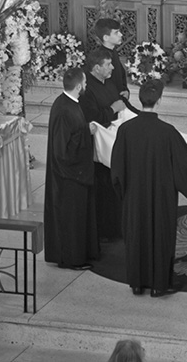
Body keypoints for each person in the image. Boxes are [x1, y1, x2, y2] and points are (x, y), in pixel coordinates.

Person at [111, 80, 187, 297]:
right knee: (160, 238)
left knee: (136, 236)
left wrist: (125, 195)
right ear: (159, 101)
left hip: (134, 197)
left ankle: (137, 283)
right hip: (161, 198)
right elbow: (185, 164)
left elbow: (117, 169)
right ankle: (159, 285)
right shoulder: (167, 132)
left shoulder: (125, 130)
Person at [43, 67, 99, 270]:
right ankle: (71, 259)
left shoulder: (69, 103)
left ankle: (80, 254)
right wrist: (87, 130)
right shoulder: (64, 109)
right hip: (68, 177)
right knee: (71, 220)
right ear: (77, 86)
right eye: (84, 83)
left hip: (74, 175)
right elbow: (62, 150)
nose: (86, 86)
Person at [79, 47, 124, 242]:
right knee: (104, 190)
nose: (113, 67)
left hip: (115, 142)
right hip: (99, 150)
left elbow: (122, 105)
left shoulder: (109, 83)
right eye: (108, 64)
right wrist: (113, 108)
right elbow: (93, 118)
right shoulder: (87, 90)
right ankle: (104, 231)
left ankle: (117, 227)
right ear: (97, 68)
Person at [93, 17, 135, 113]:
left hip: (120, 100)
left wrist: (126, 90)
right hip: (112, 107)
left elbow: (120, 74)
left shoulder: (113, 51)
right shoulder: (101, 58)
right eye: (116, 33)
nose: (121, 34)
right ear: (106, 38)